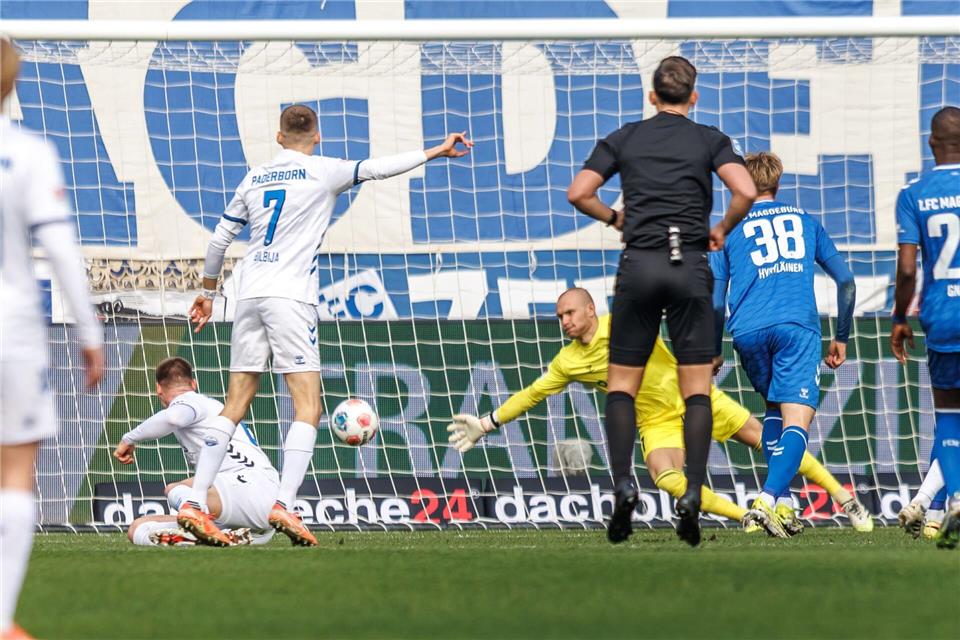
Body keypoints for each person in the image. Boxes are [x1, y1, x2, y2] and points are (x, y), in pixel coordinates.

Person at [182, 103, 471, 546]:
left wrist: (206, 292)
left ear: (279, 137)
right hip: (290, 297)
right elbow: (379, 169)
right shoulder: (324, 170)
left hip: (248, 294)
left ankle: (195, 501)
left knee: (234, 403)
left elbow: (220, 239)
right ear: (316, 137)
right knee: (308, 407)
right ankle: (285, 503)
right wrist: (437, 150)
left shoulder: (254, 177)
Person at [446, 289, 873, 536]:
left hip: (695, 397)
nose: (565, 322)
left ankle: (845, 499)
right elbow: (533, 393)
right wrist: (485, 424)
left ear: (591, 309)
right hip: (657, 421)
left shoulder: (626, 320)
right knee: (664, 477)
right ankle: (748, 514)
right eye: (559, 317)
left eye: (570, 313)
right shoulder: (568, 362)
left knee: (773, 442)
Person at [567, 56, 757, 546]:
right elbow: (746, 189)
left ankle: (624, 485)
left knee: (621, 388)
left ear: (652, 96)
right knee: (696, 391)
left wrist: (614, 218)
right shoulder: (709, 138)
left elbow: (579, 192)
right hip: (689, 265)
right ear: (693, 97)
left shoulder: (625, 137)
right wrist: (720, 228)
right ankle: (692, 490)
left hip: (641, 265)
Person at [0, 37, 105, 640]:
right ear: (12, 84)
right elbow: (60, 250)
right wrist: (90, 333)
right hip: (11, 329)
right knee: (16, 473)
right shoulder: (28, 152)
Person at [711, 151, 856, 533]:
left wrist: (712, 348)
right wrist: (841, 335)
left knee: (774, 409)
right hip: (796, 326)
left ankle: (785, 506)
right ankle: (767, 499)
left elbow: (713, 297)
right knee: (797, 421)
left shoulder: (727, 228)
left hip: (747, 331)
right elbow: (846, 281)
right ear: (777, 182)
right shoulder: (805, 220)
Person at [890, 105, 960, 550]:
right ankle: (939, 501)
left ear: (931, 143)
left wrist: (899, 317)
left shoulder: (913, 195)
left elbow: (907, 267)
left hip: (944, 318)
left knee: (950, 419)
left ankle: (947, 498)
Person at [113, 357, 278, 547]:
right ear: (193, 383)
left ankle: (196, 521)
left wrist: (129, 438)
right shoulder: (212, 407)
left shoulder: (190, 400)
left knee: (174, 489)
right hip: (264, 507)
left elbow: (175, 418)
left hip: (250, 486)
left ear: (158, 389)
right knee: (138, 529)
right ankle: (211, 537)